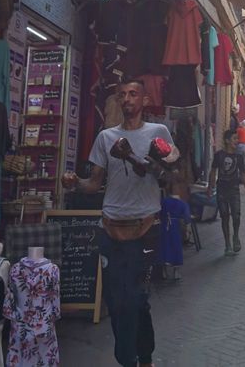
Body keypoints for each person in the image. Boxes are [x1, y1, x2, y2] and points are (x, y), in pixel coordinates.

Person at [63, 80, 176, 367]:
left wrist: (153, 162)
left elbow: (170, 173)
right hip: (111, 227)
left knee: (135, 299)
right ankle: (135, 358)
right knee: (116, 301)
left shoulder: (158, 132)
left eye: (133, 94)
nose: (127, 99)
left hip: (145, 228)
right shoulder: (105, 137)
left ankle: (137, 358)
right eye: (122, 94)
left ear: (145, 100)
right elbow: (94, 184)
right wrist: (75, 182)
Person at [206, 129, 244, 256]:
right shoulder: (219, 155)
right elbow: (213, 171)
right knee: (224, 216)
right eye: (234, 138)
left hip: (234, 189)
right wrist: (210, 187)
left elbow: (242, 172)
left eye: (237, 139)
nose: (237, 141)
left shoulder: (238, 156)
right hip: (221, 189)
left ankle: (236, 236)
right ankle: (227, 244)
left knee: (236, 215)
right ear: (227, 141)